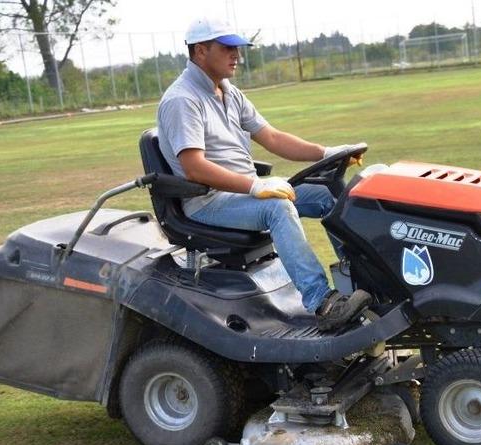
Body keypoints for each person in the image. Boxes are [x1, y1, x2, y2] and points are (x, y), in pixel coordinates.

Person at [156, 16, 370, 331]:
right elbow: (194, 167)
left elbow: (271, 137)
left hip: (243, 192)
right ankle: (323, 302)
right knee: (278, 207)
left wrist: (328, 152)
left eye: (237, 48)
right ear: (200, 51)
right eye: (228, 48)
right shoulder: (182, 101)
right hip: (210, 201)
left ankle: (363, 285)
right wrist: (254, 186)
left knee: (331, 196)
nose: (237, 56)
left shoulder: (228, 92)